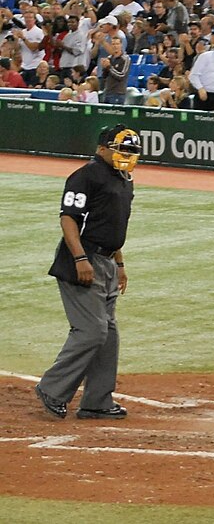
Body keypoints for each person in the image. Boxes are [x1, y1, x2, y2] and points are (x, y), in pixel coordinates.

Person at [36, 124, 141, 421]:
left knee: (108, 335)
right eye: (123, 149)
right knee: (92, 330)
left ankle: (97, 401)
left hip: (107, 262)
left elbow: (114, 227)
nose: (128, 155)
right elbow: (68, 219)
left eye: (132, 150)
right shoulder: (86, 175)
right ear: (102, 148)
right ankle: (52, 389)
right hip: (83, 260)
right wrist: (80, 258)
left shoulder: (124, 179)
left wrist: (119, 264)